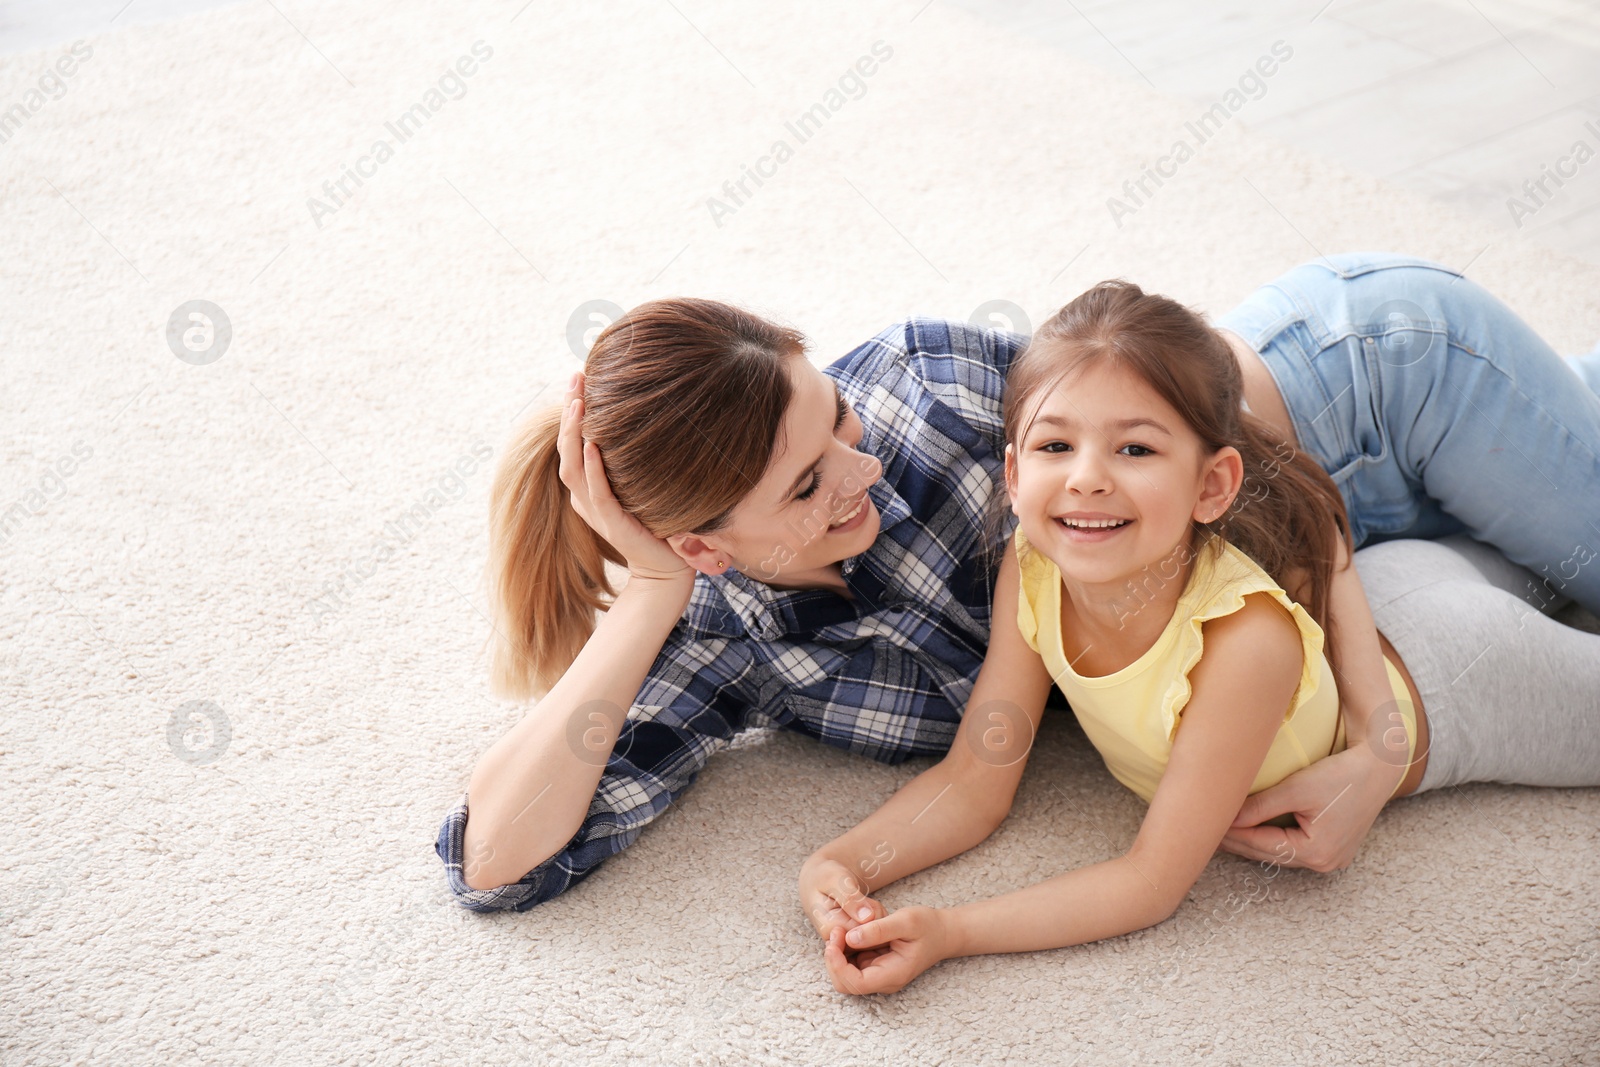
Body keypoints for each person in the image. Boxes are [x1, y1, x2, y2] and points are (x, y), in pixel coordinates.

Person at [434, 253, 1600, 910]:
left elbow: (1281, 496)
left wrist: (1382, 744)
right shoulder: (718, 635)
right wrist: (642, 599)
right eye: (807, 489)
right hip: (1359, 559)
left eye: (833, 417)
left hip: (1371, 393)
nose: (864, 470)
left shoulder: (923, 390)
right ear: (701, 551)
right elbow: (495, 859)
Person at [806, 280, 1600, 995]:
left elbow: (1150, 881)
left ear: (1213, 484)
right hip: (1388, 589)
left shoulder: (1244, 639)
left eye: (1136, 448)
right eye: (1056, 445)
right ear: (1013, 476)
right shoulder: (1033, 560)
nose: (1086, 476)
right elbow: (978, 775)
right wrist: (841, 860)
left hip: (1457, 674)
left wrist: (951, 930)